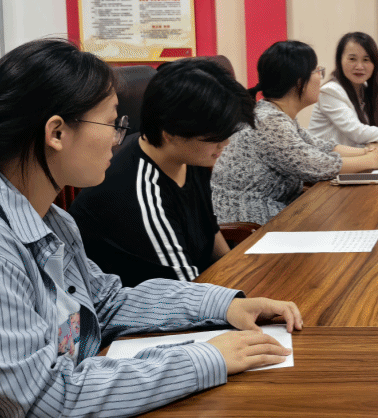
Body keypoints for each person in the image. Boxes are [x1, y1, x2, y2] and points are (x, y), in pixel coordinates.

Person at [0, 39, 299, 418]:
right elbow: (36, 402)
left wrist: (223, 305)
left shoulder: (49, 217)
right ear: (56, 133)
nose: (120, 137)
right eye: (113, 123)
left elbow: (106, 301)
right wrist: (203, 359)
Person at [70, 58, 255, 287]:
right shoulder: (140, 195)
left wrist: (238, 272)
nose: (224, 144)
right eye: (214, 138)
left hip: (199, 286)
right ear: (171, 134)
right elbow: (187, 294)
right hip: (157, 301)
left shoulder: (186, 157)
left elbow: (210, 230)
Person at [211, 40, 378, 225]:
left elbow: (318, 146)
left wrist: (366, 152)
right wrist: (371, 160)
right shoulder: (268, 121)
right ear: (299, 82)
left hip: (277, 210)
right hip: (251, 220)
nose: (320, 77)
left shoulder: (276, 114)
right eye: (317, 71)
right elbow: (315, 165)